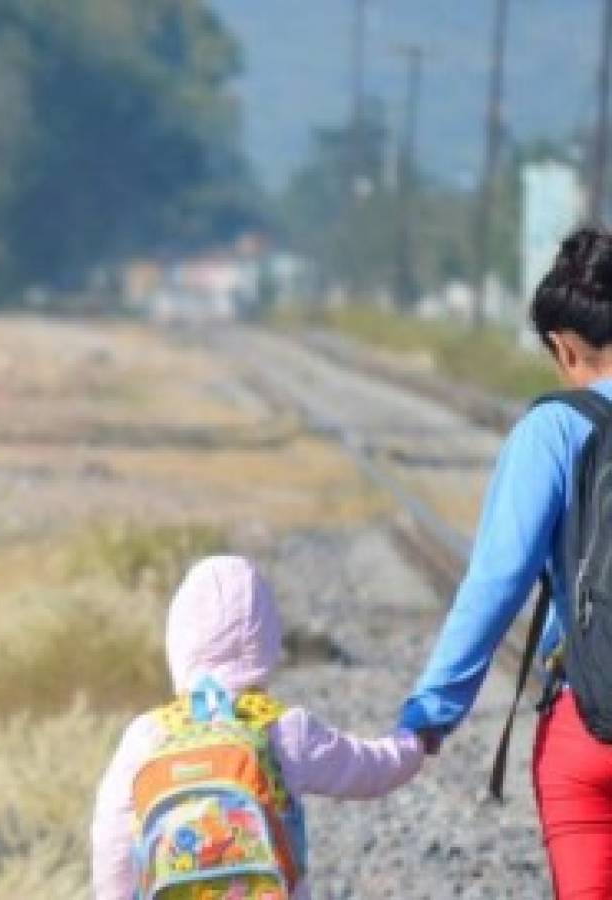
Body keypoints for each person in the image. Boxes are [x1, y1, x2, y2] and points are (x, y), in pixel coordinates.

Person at [400, 228, 612, 897]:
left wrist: (431, 712)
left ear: (564, 346)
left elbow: (497, 582)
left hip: (592, 724)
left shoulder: (553, 428)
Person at [91, 555, 424, 900]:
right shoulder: (284, 729)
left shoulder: (148, 735)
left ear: (178, 639)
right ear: (267, 639)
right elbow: (368, 769)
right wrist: (414, 741)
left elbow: (111, 839)